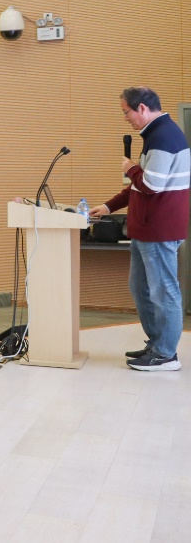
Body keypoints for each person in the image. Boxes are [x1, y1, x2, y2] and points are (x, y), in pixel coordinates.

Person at [88, 86, 190, 371]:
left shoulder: (163, 137)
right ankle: (157, 345)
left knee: (163, 291)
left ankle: (166, 355)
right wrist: (109, 206)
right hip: (146, 230)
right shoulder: (155, 135)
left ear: (142, 108)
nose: (125, 118)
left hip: (157, 230)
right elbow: (138, 186)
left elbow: (150, 184)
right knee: (141, 288)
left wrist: (131, 168)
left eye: (126, 112)